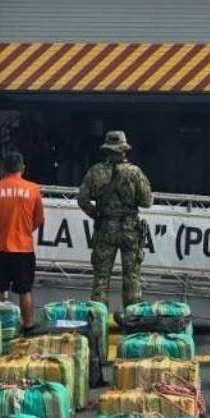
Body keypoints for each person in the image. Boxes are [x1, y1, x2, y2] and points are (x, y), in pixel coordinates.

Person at [77, 129, 152, 306]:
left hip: (105, 229)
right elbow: (147, 201)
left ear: (107, 150)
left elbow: (82, 199)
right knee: (132, 277)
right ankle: (132, 322)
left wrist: (96, 214)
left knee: (101, 279)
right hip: (129, 231)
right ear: (124, 149)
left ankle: (98, 321)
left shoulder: (96, 171)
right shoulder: (135, 172)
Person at [0, 149, 45, 329]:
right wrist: (25, 230)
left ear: (3, 169)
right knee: (24, 290)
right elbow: (39, 219)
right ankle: (28, 326)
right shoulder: (33, 190)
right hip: (24, 248)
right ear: (22, 168)